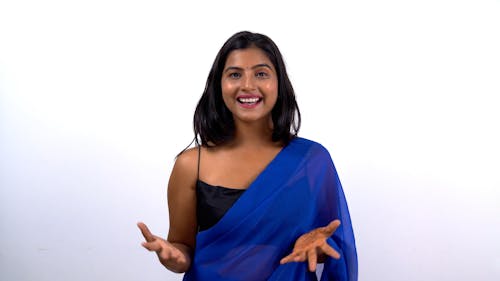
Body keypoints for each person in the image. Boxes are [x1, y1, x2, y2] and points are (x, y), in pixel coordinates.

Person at [137, 31, 357, 281]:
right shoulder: (191, 165)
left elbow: (334, 240)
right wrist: (173, 256)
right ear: (219, 84)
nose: (248, 85)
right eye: (235, 74)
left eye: (261, 73)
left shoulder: (312, 160)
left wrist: (321, 246)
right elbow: (182, 248)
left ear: (279, 83)